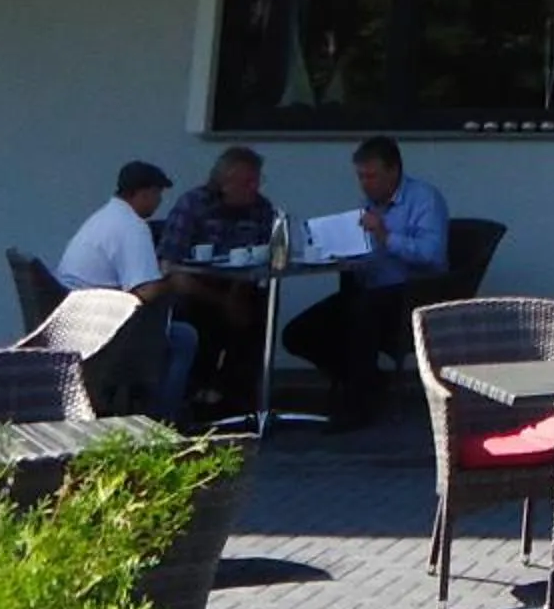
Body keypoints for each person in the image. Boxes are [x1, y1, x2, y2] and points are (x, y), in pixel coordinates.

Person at [280, 135, 448, 426]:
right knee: (299, 333)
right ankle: (370, 383)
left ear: (393, 171)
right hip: (370, 288)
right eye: (361, 177)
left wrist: (385, 237)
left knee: (362, 315)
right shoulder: (370, 203)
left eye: (372, 176)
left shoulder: (424, 199)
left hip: (412, 294)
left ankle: (358, 406)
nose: (366, 184)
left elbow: (432, 255)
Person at [56, 159, 199, 419]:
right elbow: (145, 291)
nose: (158, 202)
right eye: (157, 195)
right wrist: (174, 281)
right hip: (101, 328)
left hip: (73, 317)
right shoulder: (131, 227)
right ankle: (162, 419)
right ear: (144, 193)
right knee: (184, 338)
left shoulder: (104, 218)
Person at [155, 145, 277, 410]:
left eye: (258, 181)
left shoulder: (261, 209)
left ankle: (238, 400)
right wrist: (223, 301)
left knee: (259, 312)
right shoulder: (193, 205)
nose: (254, 188)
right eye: (247, 182)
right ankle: (195, 394)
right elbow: (170, 268)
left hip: (240, 286)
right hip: (196, 288)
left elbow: (266, 256)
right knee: (199, 317)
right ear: (224, 182)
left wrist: (236, 296)